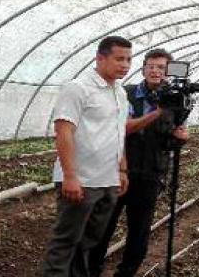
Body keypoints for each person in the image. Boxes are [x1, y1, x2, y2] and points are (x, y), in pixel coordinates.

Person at [88, 49, 189, 277]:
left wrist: (180, 139)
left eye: (161, 68)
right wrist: (157, 113)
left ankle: (125, 273)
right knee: (103, 226)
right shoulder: (125, 94)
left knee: (139, 232)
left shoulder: (175, 101)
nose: (155, 71)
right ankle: (92, 270)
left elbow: (169, 143)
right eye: (151, 66)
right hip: (118, 170)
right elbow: (121, 128)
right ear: (143, 68)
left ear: (168, 72)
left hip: (151, 173)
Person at [42, 36, 132, 277]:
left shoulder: (120, 93)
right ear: (100, 58)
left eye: (129, 60)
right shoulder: (78, 88)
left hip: (108, 180)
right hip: (81, 180)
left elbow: (118, 133)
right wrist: (70, 176)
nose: (125, 65)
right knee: (65, 242)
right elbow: (64, 131)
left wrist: (121, 170)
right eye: (119, 58)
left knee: (89, 242)